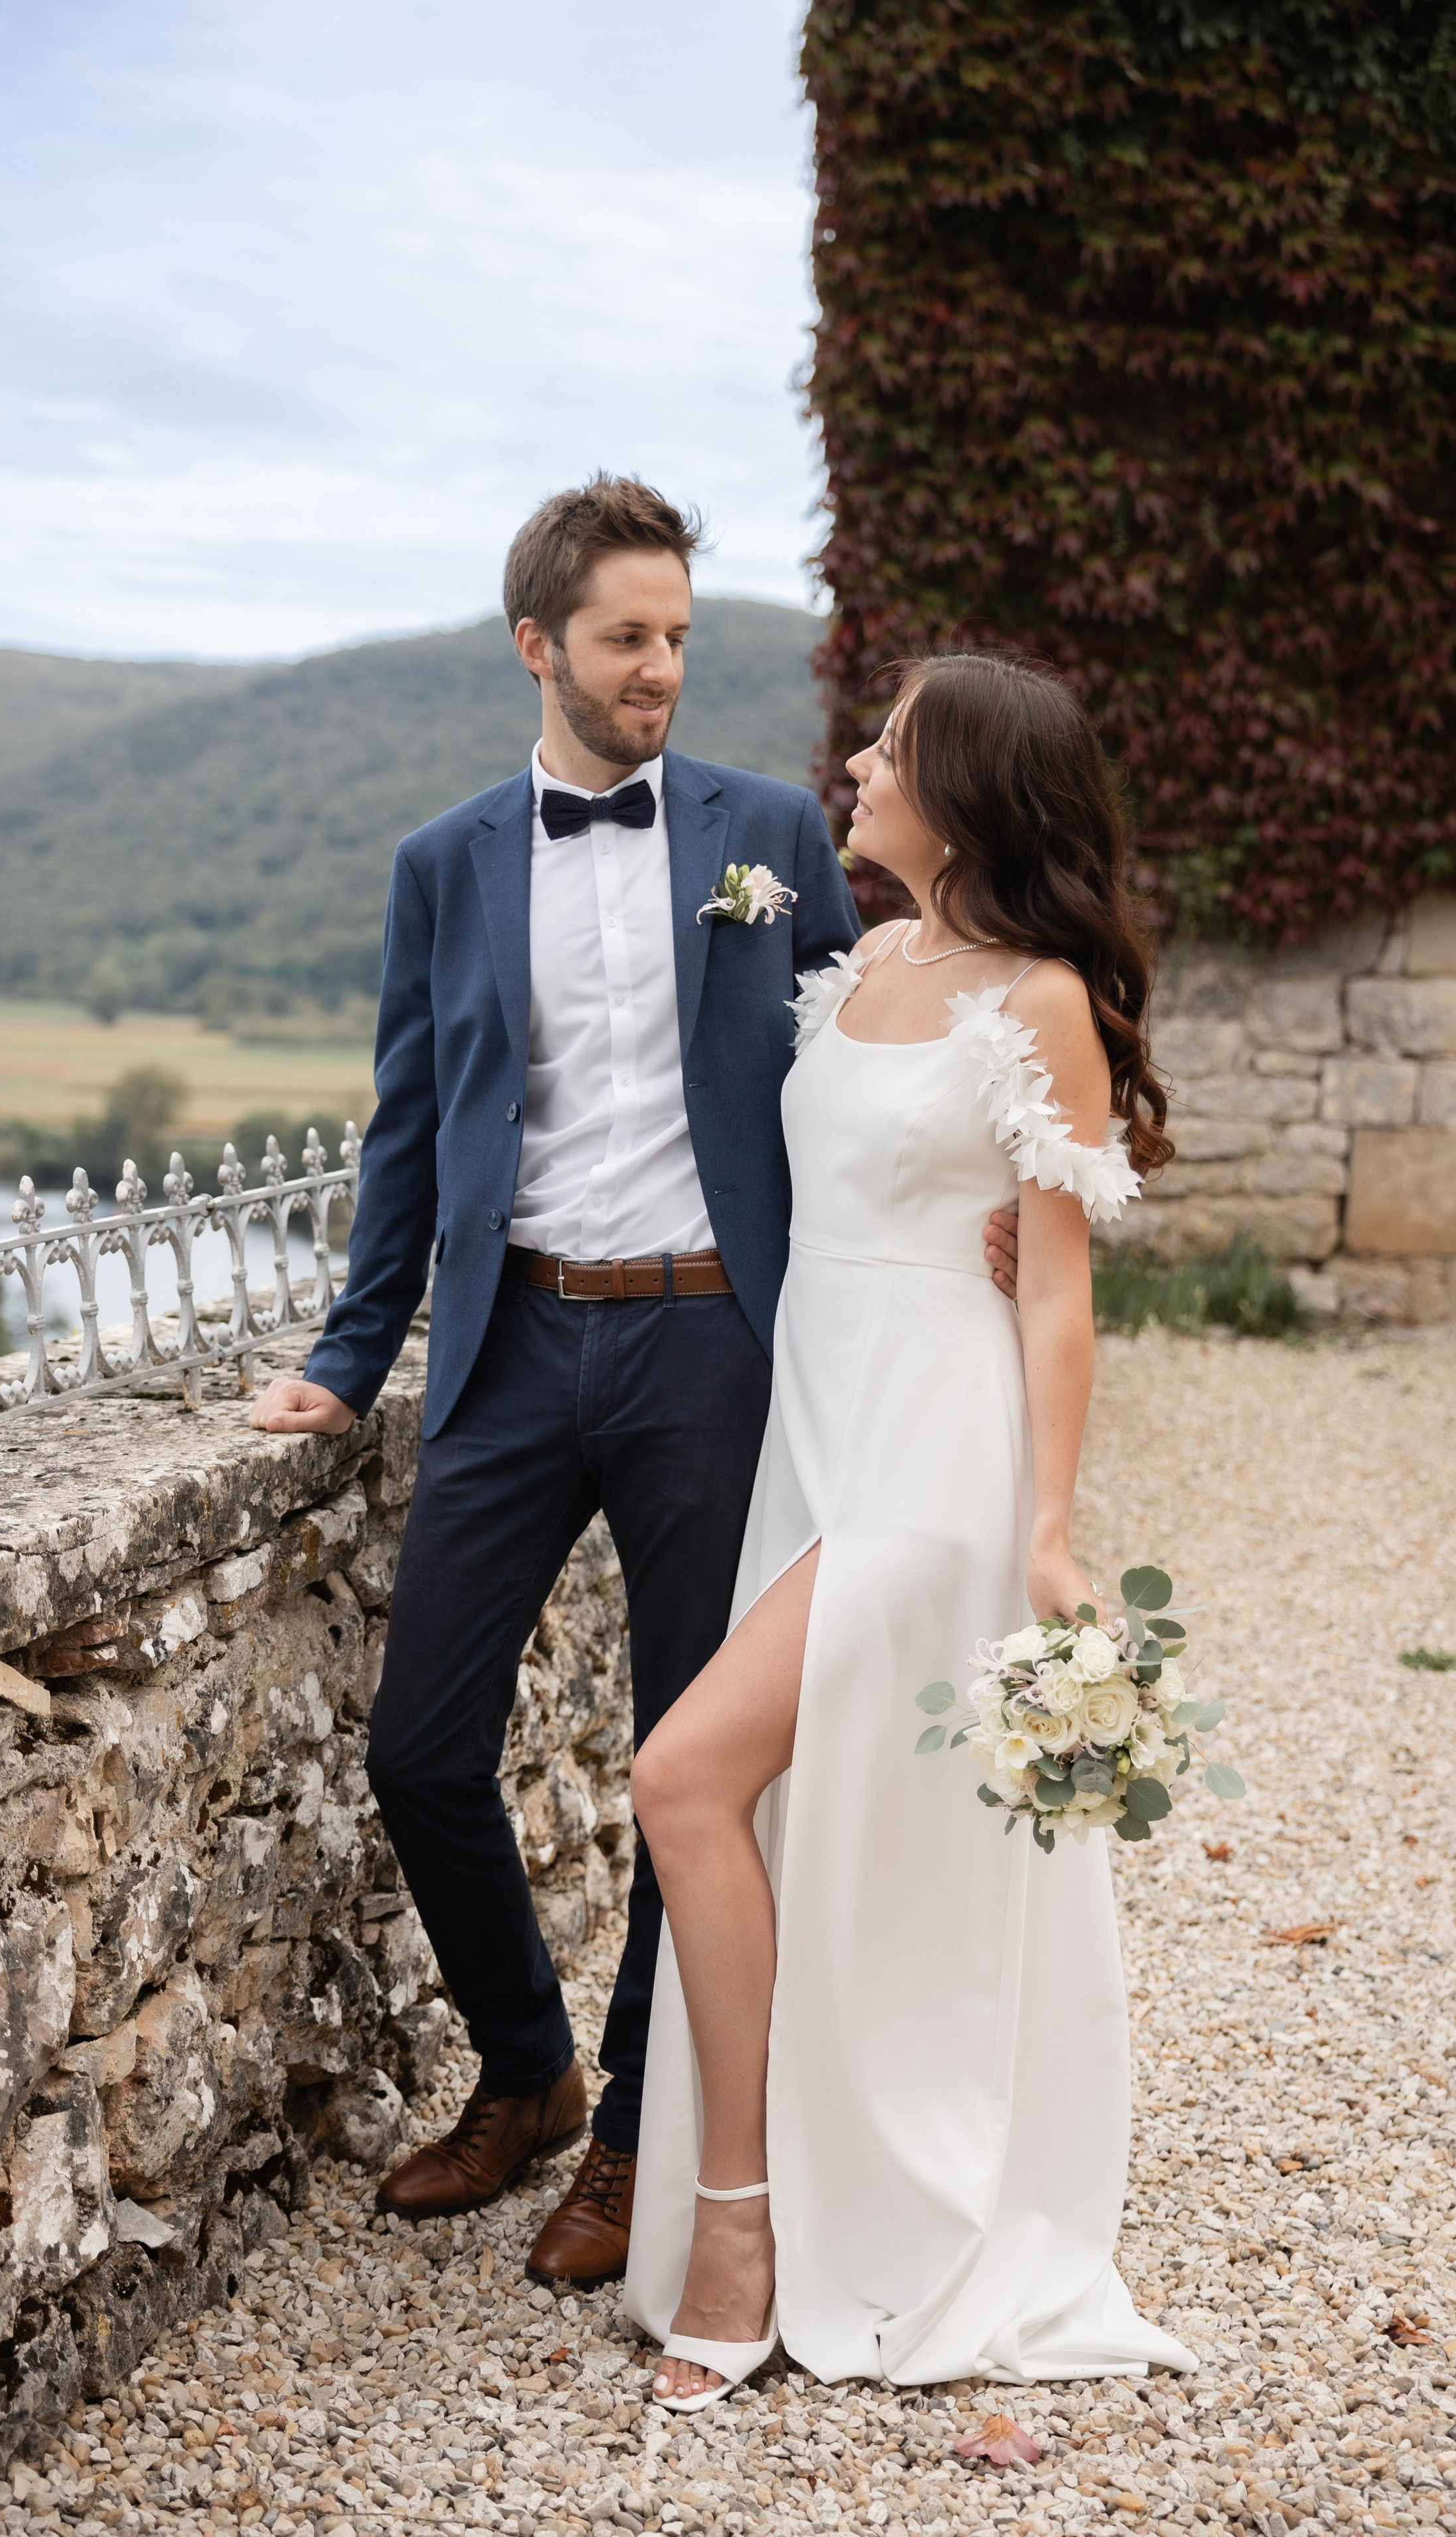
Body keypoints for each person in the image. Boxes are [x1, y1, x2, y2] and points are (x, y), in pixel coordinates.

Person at [249, 478, 1020, 2289]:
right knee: (418, 1746)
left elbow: (881, 1042)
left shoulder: (766, 833)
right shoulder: (442, 865)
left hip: (711, 1349)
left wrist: (991, 1202)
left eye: (678, 635)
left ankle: (627, 2135)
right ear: (542, 647)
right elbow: (407, 1128)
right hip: (513, 1346)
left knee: (691, 1756)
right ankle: (521, 2066)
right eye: (626, 638)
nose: (661, 666)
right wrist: (351, 1360)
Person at [624, 649, 1199, 2406]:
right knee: (811, 1817)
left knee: (681, 1778)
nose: (856, 768)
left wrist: (1050, 1533)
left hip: (935, 1454)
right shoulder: (862, 960)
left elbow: (1058, 1294)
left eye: (891, 747)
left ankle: (742, 2227)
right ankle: (803, 2186)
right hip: (817, 1419)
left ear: (972, 791)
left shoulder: (1038, 1005)